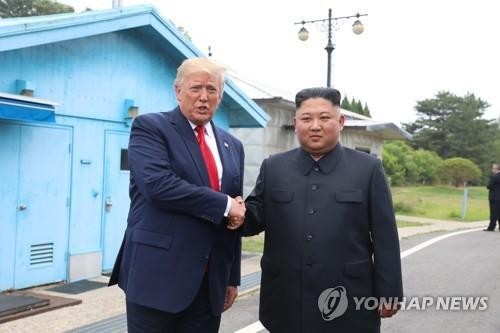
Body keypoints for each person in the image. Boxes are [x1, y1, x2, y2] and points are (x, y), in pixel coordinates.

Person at [238, 87, 403, 332]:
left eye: (324, 118)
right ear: (295, 123)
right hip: (285, 298)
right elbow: (255, 217)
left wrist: (389, 291)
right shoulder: (274, 167)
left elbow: (385, 236)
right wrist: (234, 212)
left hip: (349, 297)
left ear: (341, 121)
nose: (315, 126)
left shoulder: (368, 169)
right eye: (306, 118)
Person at [109, 57, 246, 332]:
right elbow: (158, 186)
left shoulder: (233, 145)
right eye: (196, 88)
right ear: (178, 90)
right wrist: (225, 204)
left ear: (220, 95)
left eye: (212, 90)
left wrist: (231, 277)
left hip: (209, 283)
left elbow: (234, 216)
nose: (204, 97)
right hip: (157, 275)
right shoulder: (151, 128)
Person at [484, 163, 500, 231]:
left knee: (493, 212)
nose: (492, 170)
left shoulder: (494, 177)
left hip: (494, 197)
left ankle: (491, 226)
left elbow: (489, 186)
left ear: (496, 169)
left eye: (493, 168)